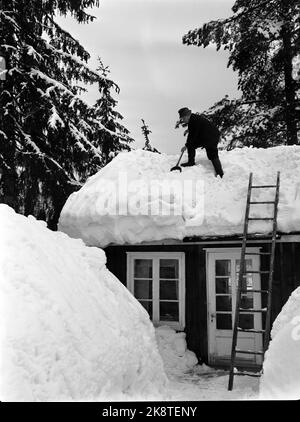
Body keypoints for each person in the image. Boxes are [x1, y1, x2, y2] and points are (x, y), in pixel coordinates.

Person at [178, 107, 224, 178]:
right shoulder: (193, 119)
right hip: (210, 135)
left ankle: (220, 173)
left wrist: (186, 146)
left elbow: (192, 136)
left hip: (210, 136)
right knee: (192, 145)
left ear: (187, 116)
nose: (182, 120)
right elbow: (193, 133)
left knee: (212, 153)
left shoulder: (194, 120)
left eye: (183, 118)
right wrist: (188, 144)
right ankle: (191, 162)